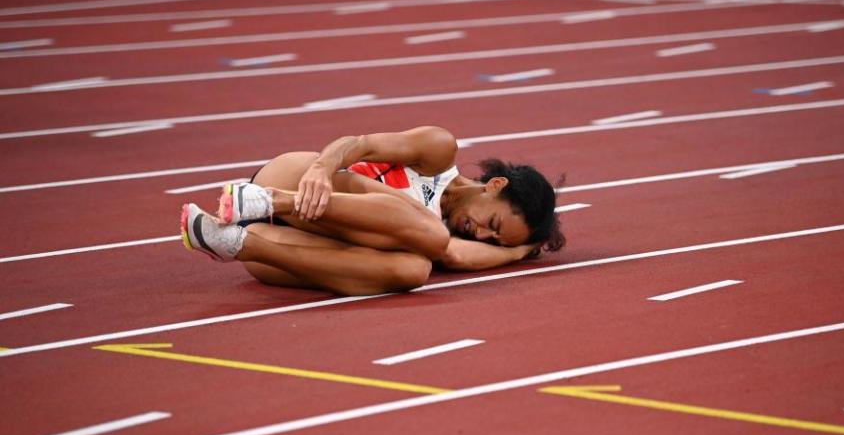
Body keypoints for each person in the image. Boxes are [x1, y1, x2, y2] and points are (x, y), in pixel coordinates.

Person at [180, 126, 565, 296]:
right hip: (291, 182)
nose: (481, 235)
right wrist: (321, 168)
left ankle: (230, 241)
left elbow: (453, 255)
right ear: (495, 185)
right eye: (492, 223)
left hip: (276, 251)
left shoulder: (444, 240)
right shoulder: (437, 152)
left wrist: (515, 251)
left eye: (492, 241)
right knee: (431, 236)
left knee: (413, 269)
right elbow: (358, 144)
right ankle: (263, 199)